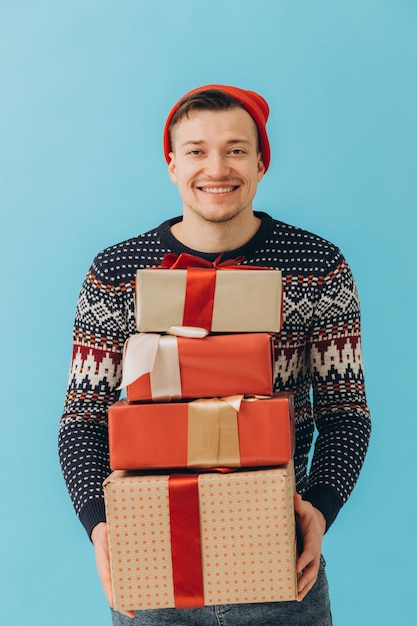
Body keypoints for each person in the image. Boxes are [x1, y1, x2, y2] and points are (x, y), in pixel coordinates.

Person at [59, 84, 371, 625]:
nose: (217, 168)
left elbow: (346, 413)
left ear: (261, 161)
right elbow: (82, 419)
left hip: (279, 560)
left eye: (236, 149)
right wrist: (103, 526)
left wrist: (319, 510)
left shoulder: (317, 265)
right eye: (198, 150)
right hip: (153, 558)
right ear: (172, 162)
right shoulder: (116, 274)